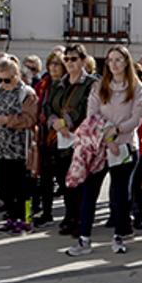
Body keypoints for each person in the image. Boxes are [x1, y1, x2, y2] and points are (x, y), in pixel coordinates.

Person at [65, 45, 142, 256]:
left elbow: (136, 118)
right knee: (89, 193)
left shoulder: (137, 88)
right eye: (110, 60)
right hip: (98, 146)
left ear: (127, 62)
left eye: (119, 59)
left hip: (125, 146)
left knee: (121, 195)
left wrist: (116, 133)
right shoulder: (99, 86)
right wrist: (106, 135)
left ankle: (119, 236)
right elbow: (91, 114)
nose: (114, 64)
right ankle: (84, 239)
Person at [0, 57, 38, 233]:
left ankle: (26, 220)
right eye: (0, 79)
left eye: (8, 79)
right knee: (5, 189)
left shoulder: (27, 93)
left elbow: (30, 119)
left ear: (17, 75)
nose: (4, 83)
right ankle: (12, 218)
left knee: (23, 190)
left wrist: (7, 120)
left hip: (19, 151)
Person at [45, 44, 97, 235]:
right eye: (66, 59)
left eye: (74, 59)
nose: (69, 63)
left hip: (81, 140)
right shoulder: (58, 83)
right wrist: (54, 122)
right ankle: (70, 216)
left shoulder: (91, 83)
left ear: (83, 60)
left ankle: (81, 220)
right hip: (60, 139)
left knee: (81, 181)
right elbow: (48, 106)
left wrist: (67, 122)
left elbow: (88, 109)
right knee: (64, 179)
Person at [33, 50, 66, 223]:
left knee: (63, 178)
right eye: (51, 64)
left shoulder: (66, 84)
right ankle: (46, 213)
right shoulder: (44, 84)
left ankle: (71, 216)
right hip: (44, 135)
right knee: (45, 177)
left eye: (57, 64)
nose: (53, 67)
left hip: (60, 135)